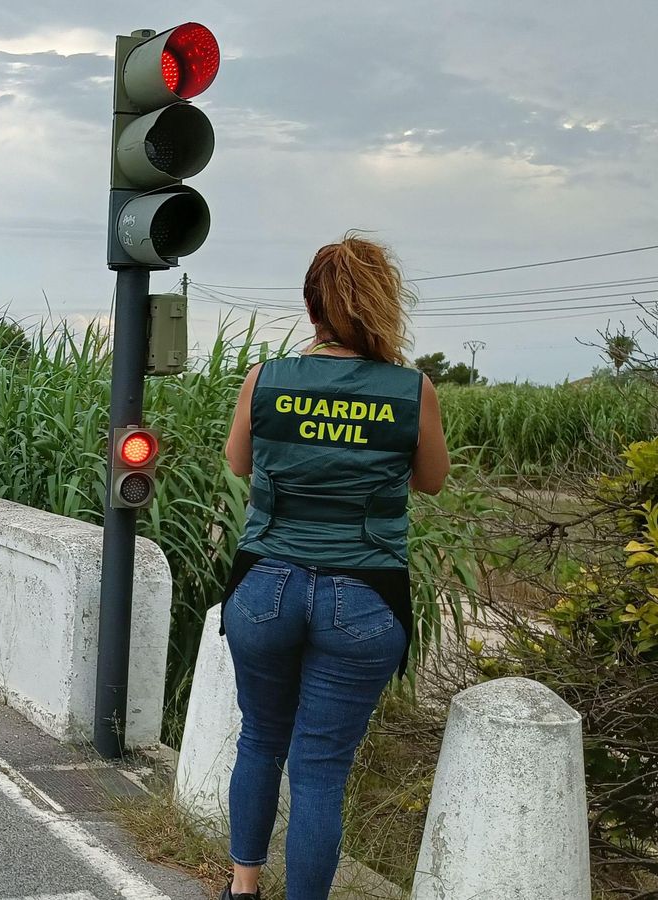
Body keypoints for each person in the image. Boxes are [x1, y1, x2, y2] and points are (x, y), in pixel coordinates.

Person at [218, 233, 450, 899]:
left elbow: (239, 463)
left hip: (265, 587)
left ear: (311, 304)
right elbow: (431, 480)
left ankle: (241, 890)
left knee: (262, 741)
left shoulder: (266, 378)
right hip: (365, 598)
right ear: (382, 304)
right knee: (320, 769)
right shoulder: (412, 390)